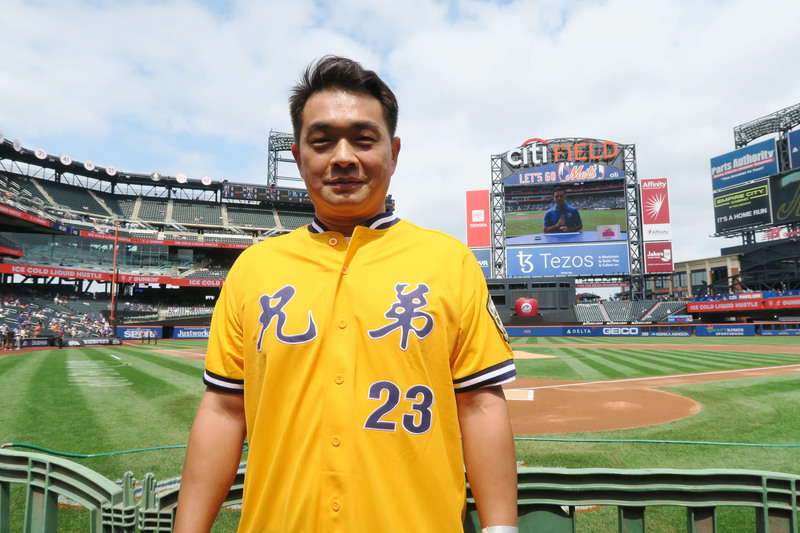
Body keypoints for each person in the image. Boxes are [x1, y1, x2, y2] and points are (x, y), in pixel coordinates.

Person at [175, 55, 519, 532]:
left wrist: (502, 530)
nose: (342, 157)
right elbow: (224, 409)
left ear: (393, 152)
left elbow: (480, 404)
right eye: (321, 141)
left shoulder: (450, 261)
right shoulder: (253, 268)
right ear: (298, 157)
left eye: (363, 139)